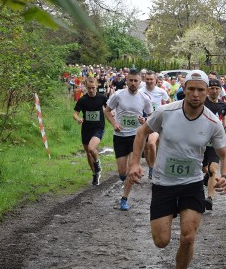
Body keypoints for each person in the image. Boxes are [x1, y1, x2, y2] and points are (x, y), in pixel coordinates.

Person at [128, 70, 226, 269]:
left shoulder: (212, 122)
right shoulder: (166, 112)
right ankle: (166, 222)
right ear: (184, 89)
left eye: (201, 90)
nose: (195, 94)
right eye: (191, 89)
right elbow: (142, 131)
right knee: (161, 241)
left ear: (207, 92)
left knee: (188, 237)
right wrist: (135, 162)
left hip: (192, 184)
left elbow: (225, 154)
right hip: (164, 183)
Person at [105, 69, 154, 211]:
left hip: (136, 137)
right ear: (127, 81)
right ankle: (126, 179)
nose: (133, 83)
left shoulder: (144, 98)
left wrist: (145, 120)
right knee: (122, 172)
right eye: (131, 80)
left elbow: (151, 116)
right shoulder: (118, 95)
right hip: (120, 137)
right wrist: (114, 123)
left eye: (136, 81)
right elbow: (107, 111)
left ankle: (124, 199)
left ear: (140, 82)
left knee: (132, 168)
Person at [201, 78, 226, 210]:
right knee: (204, 169)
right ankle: (206, 176)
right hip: (201, 141)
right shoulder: (202, 102)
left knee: (213, 169)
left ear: (220, 90)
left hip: (214, 142)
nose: (214, 91)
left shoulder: (223, 105)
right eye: (211, 88)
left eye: (216, 88)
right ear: (208, 89)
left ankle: (210, 198)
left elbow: (223, 117)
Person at [73, 78, 108, 186]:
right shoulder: (82, 100)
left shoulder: (102, 98)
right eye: (89, 88)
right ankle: (94, 173)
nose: (91, 90)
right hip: (86, 129)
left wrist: (112, 114)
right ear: (86, 87)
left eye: (93, 88)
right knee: (88, 153)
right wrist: (78, 118)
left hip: (98, 128)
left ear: (96, 86)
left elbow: (109, 109)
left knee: (91, 148)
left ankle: (97, 163)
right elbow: (75, 113)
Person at [139, 71, 171, 179]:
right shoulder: (140, 91)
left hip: (157, 121)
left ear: (155, 80)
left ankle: (153, 169)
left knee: (151, 144)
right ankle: (151, 167)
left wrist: (166, 114)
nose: (149, 81)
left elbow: (168, 103)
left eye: (151, 79)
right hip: (143, 122)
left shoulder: (161, 92)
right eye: (147, 79)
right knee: (146, 148)